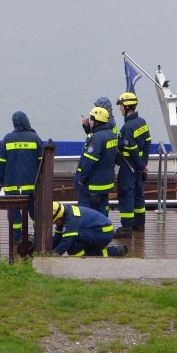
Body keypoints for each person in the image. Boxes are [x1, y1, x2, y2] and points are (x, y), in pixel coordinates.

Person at [0, 111, 43, 243]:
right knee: (35, 214)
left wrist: (0, 180)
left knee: (15, 215)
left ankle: (17, 241)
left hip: (11, 187)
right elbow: (42, 163)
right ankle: (38, 239)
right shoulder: (35, 138)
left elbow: (0, 163)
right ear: (26, 121)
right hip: (32, 187)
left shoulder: (7, 139)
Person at [113, 92, 152, 238]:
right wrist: (143, 164)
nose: (119, 109)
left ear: (127, 106)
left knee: (126, 194)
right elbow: (148, 142)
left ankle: (126, 228)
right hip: (139, 166)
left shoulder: (127, 128)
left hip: (129, 167)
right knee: (138, 194)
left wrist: (140, 165)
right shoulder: (142, 122)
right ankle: (139, 224)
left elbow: (132, 149)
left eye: (121, 106)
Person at [74, 106, 118, 216]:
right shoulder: (111, 135)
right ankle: (103, 232)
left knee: (85, 214)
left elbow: (89, 162)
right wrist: (88, 129)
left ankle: (87, 233)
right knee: (102, 214)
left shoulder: (97, 138)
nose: (90, 121)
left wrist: (81, 180)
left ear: (97, 122)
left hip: (93, 185)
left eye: (92, 119)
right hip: (106, 184)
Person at [51, 202, 127, 257]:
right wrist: (49, 250)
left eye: (55, 221)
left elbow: (67, 241)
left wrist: (54, 254)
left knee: (71, 240)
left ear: (59, 217)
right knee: (89, 253)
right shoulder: (66, 213)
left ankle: (81, 259)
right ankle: (116, 251)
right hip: (99, 231)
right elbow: (58, 237)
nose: (56, 224)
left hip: (103, 233)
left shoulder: (72, 220)